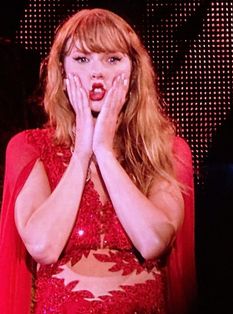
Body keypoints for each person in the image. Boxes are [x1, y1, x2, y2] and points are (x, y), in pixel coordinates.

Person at [0, 8, 196, 314]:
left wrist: (103, 151)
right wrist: (82, 152)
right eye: (81, 59)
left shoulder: (167, 150)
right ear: (62, 73)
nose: (97, 73)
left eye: (112, 59)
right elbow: (43, 246)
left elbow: (153, 241)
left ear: (133, 74)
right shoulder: (29, 147)